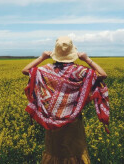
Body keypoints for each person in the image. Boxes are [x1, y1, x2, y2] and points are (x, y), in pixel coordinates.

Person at [22, 36, 109, 164]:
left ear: (55, 53)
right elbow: (103, 74)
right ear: (72, 53)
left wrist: (42, 58)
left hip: (52, 120)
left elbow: (25, 71)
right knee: (74, 151)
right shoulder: (79, 71)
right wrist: (86, 59)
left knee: (55, 150)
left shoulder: (47, 70)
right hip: (73, 120)